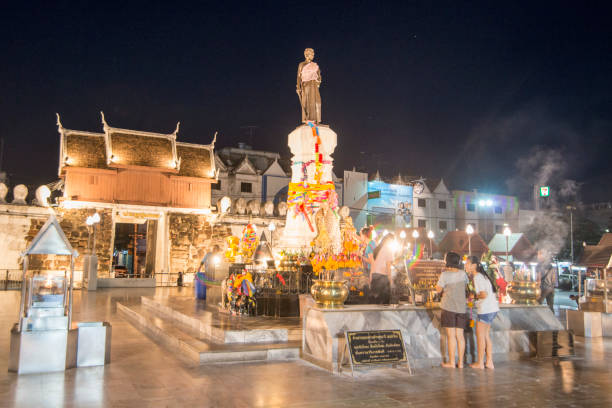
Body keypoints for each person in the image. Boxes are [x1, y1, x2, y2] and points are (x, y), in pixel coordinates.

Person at [435, 252, 468, 368]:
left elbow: (438, 290)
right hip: (461, 308)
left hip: (449, 307)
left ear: (448, 261)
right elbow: (465, 287)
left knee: (451, 336)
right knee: (460, 336)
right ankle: (461, 363)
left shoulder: (445, 275)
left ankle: (452, 362)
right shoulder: (463, 274)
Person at [466, 255, 499, 369]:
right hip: (492, 308)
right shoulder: (483, 276)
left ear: (474, 265)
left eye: (467, 264)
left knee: (480, 336)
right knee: (485, 336)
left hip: (485, 310)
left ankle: (480, 363)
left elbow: (483, 294)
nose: (465, 266)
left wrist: (474, 295)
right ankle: (489, 362)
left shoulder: (477, 277)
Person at [369, 233, 395, 304]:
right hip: (382, 277)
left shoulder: (378, 249)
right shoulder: (389, 249)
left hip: (375, 277)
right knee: (385, 304)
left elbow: (373, 265)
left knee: (375, 304)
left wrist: (370, 279)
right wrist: (391, 280)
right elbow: (388, 266)